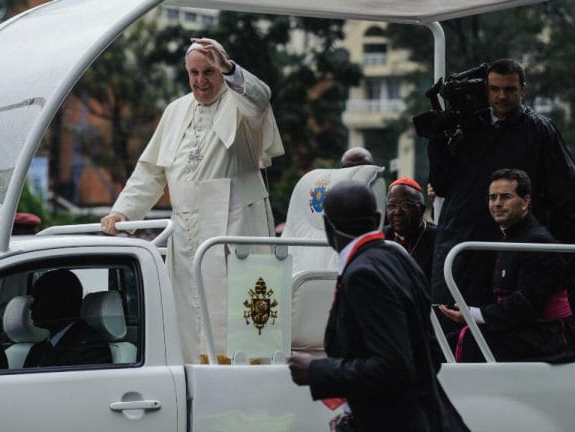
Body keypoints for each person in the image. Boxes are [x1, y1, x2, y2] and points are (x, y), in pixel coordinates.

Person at [100, 38, 284, 363]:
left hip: (235, 226)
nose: (201, 81)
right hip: (185, 229)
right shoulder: (175, 110)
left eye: (209, 71)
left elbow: (261, 98)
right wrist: (122, 211)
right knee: (187, 319)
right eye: (194, 73)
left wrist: (229, 69)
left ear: (222, 69)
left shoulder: (241, 102)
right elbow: (151, 172)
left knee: (241, 321)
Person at [427, 58, 575, 314]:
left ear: (523, 89)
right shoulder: (467, 131)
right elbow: (442, 184)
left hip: (514, 249)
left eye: (510, 89)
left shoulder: (538, 130)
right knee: (452, 333)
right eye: (495, 89)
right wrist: (436, 140)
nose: (502, 96)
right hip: (462, 247)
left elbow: (573, 193)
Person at [287, 181, 469, 432]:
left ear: (328, 226)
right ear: (376, 218)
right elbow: (430, 357)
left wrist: (316, 370)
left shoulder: (363, 274)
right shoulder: (399, 259)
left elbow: (393, 366)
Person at [439, 169, 575, 363]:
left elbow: (526, 304)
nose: (497, 203)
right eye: (493, 197)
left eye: (505, 197)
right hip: (524, 329)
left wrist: (473, 314)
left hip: (551, 337)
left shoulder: (537, 242)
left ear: (525, 202)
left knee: (467, 340)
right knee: (440, 340)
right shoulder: (511, 236)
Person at [25, 269, 111, 367]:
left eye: (38, 299)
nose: (31, 306)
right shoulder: (38, 349)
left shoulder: (90, 348)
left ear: (61, 303)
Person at [383, 176, 437, 286]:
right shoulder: (381, 237)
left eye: (406, 205)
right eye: (391, 206)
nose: (397, 212)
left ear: (421, 210)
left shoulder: (437, 238)